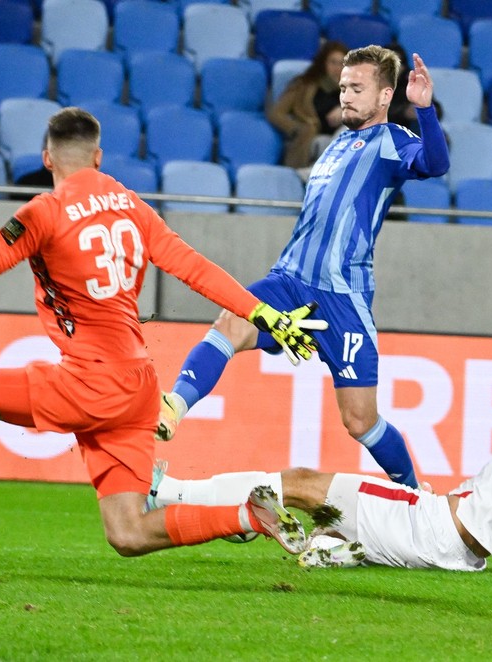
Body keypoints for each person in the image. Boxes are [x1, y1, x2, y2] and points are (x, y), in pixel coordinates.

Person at [0, 107, 327, 557]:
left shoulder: (44, 212)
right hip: (138, 387)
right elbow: (196, 269)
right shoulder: (133, 205)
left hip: (90, 381)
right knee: (128, 533)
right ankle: (247, 516)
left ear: (47, 158)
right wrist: (262, 313)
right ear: (98, 157)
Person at [152, 266, 492, 571]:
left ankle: (168, 491)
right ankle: (334, 549)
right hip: (465, 558)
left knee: (300, 483)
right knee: (339, 519)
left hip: (435, 524)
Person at [158, 46, 450, 490]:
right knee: (230, 323)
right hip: (290, 280)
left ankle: (414, 495)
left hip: (342, 297)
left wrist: (424, 110)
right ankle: (173, 407)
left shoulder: (392, 141)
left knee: (359, 421)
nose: (345, 95)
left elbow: (435, 164)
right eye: (343, 87)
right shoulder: (335, 144)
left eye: (357, 88)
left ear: (385, 95)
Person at [267, 40, 348, 169]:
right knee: (328, 143)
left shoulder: (351, 91)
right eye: (333, 62)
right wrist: (297, 129)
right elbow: (276, 113)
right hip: (312, 142)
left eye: (341, 64)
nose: (337, 68)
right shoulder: (303, 86)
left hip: (339, 141)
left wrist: (344, 110)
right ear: (323, 63)